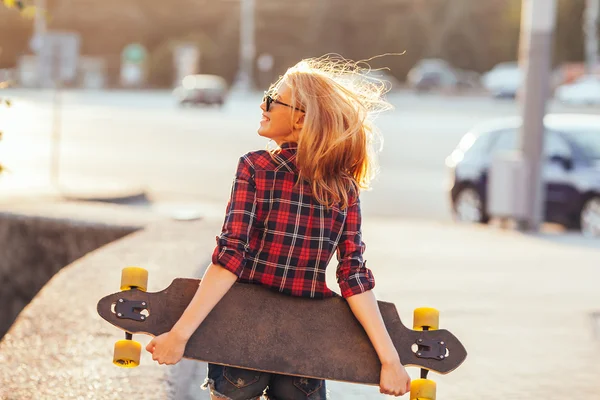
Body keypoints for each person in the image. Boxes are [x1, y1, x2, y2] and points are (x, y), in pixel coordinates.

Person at [145, 56, 412, 399]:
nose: (263, 104)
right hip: (305, 345)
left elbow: (230, 259)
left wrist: (179, 336)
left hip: (242, 334)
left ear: (301, 119)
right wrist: (390, 361)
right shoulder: (343, 189)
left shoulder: (256, 168)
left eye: (273, 98)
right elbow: (353, 278)